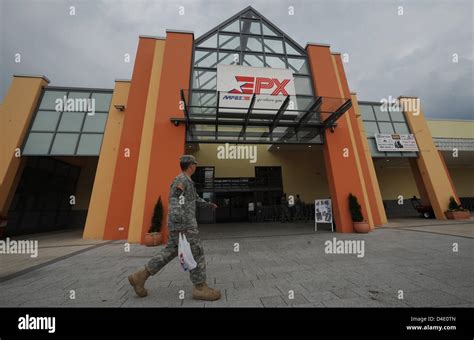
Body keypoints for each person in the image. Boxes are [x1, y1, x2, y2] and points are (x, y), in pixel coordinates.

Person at [128, 155, 221, 301]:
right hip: (184, 225)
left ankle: (140, 276)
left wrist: (209, 204)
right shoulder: (181, 180)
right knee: (197, 251)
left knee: (171, 251)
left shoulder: (187, 181)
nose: (195, 167)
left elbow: (194, 199)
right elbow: (175, 201)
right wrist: (180, 225)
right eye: (194, 164)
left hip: (181, 224)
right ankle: (200, 288)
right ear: (191, 165)